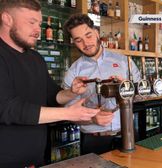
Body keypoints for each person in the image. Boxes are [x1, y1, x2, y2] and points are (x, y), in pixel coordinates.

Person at [0, 0, 101, 167]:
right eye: (31, 22)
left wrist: (71, 92)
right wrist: (68, 114)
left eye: (39, 23)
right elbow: (8, 108)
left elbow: (52, 96)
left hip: (37, 159)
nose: (37, 30)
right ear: (7, 19)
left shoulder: (36, 59)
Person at [63, 13, 141, 155]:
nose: (86, 44)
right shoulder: (73, 72)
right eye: (78, 40)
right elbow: (68, 111)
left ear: (97, 33)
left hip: (128, 133)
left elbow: (142, 94)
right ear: (73, 42)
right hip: (94, 141)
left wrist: (128, 89)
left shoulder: (124, 62)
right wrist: (92, 118)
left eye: (88, 35)